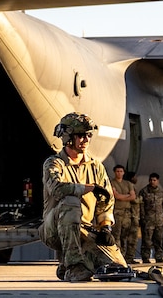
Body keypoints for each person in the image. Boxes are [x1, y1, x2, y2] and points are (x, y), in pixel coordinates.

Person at [39, 113, 137, 283]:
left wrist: (105, 227)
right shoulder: (54, 164)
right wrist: (87, 188)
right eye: (81, 135)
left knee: (117, 267)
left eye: (88, 135)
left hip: (84, 229)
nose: (85, 140)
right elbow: (57, 189)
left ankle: (71, 263)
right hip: (55, 229)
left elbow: (106, 201)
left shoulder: (96, 166)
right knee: (71, 201)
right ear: (68, 138)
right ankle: (74, 266)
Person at [110, 165, 141, 262]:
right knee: (116, 236)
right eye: (117, 171)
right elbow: (116, 196)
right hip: (117, 212)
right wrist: (126, 196)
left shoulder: (128, 184)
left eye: (121, 171)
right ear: (115, 172)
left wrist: (122, 196)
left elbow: (133, 197)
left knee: (125, 236)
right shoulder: (112, 183)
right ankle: (117, 257)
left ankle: (126, 257)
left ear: (123, 173)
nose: (119, 173)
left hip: (126, 213)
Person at [138, 172, 163, 263]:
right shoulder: (144, 192)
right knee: (147, 241)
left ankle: (159, 257)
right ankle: (145, 257)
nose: (152, 182)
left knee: (158, 240)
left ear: (158, 181)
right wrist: (142, 218)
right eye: (151, 180)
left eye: (154, 180)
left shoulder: (161, 192)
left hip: (159, 221)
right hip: (148, 221)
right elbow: (141, 206)